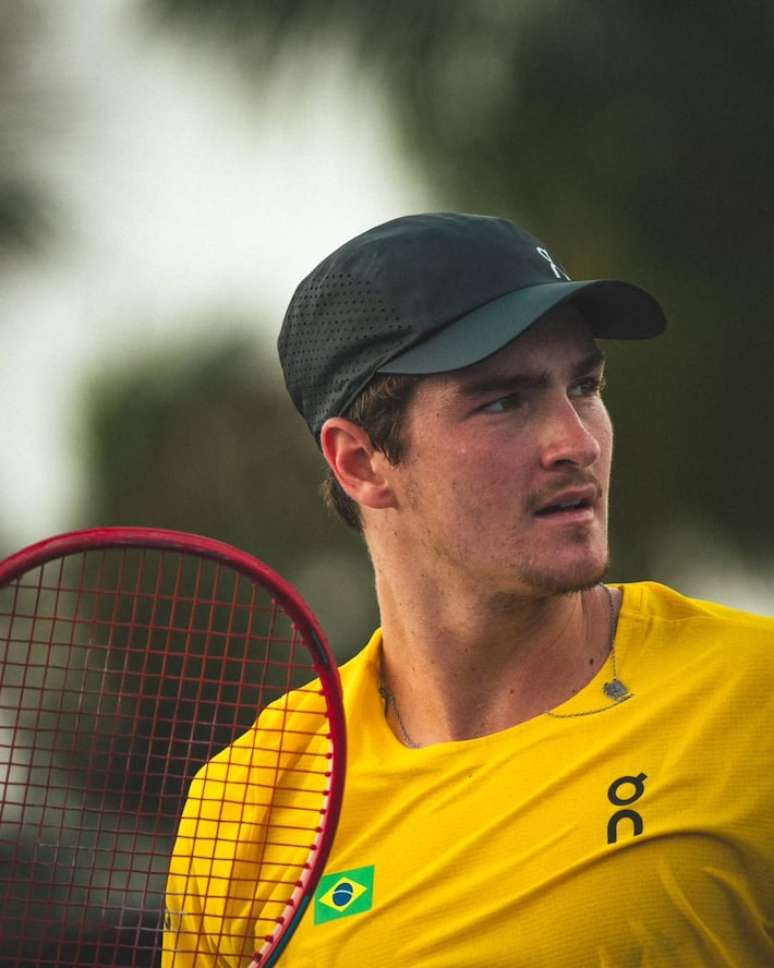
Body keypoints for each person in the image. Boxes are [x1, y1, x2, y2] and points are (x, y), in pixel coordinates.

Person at [166, 213, 774, 966]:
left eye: (584, 386)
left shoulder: (753, 698)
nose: (577, 442)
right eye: (503, 401)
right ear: (360, 462)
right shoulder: (244, 804)